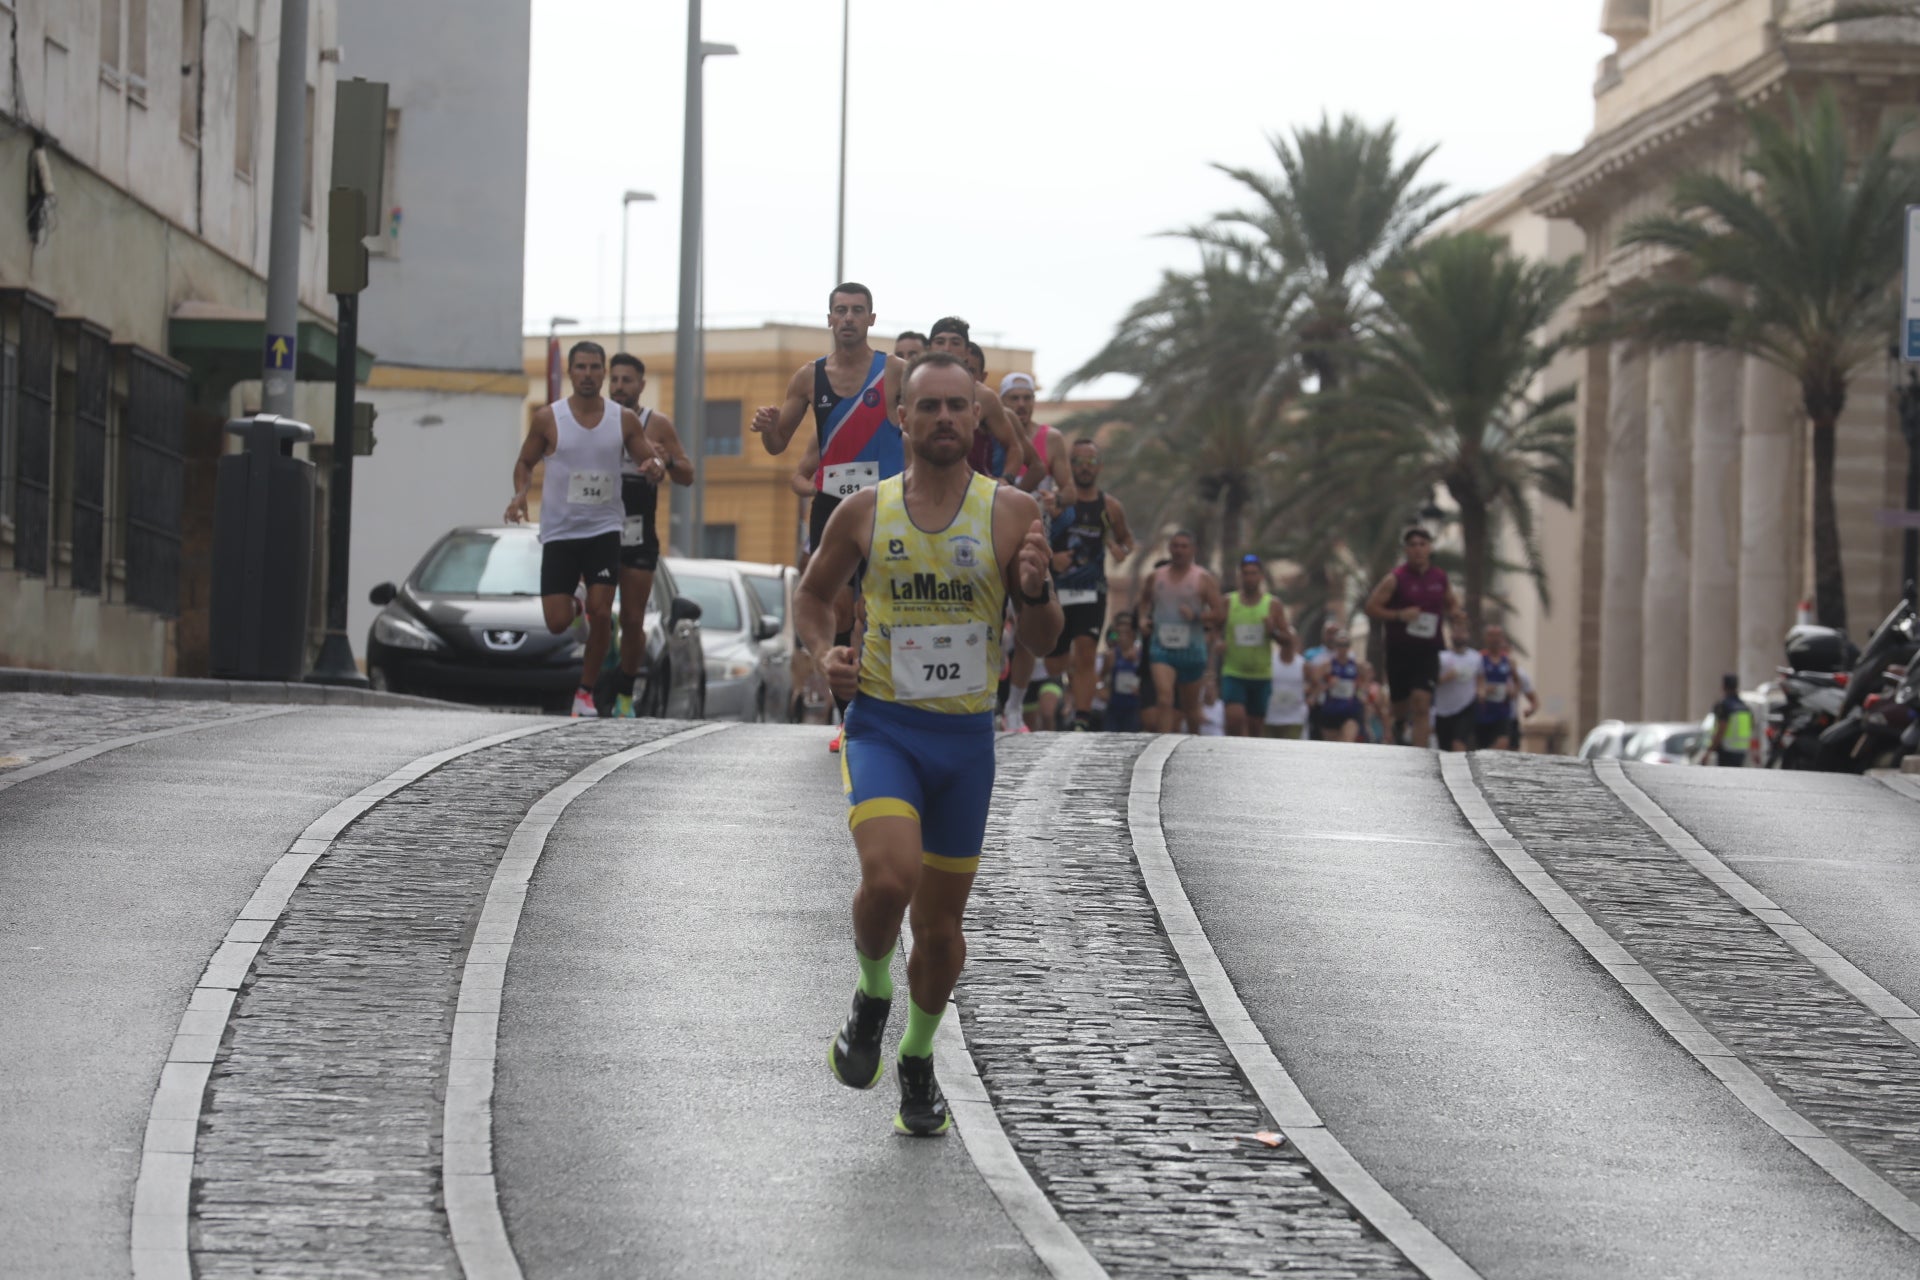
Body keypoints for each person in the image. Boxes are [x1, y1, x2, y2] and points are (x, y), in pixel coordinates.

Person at [796, 350, 1061, 1136]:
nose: (945, 419)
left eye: (958, 407)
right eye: (930, 407)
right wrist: (825, 656)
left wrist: (1038, 591)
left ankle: (916, 1055)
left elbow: (1044, 641)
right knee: (889, 882)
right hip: (884, 726)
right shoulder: (865, 513)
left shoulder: (1011, 514)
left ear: (977, 423)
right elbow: (814, 597)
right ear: (901, 420)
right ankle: (872, 988)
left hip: (965, 744)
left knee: (942, 929)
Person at [753, 283, 908, 747]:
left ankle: (894, 704)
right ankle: (850, 715)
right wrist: (766, 429)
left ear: (872, 320)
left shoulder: (895, 372)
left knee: (879, 608)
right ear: (828, 319)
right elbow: (779, 444)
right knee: (837, 605)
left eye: (857, 311)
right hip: (832, 508)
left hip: (886, 505)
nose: (848, 319)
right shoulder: (808, 378)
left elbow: (920, 425)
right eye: (840, 311)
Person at [506, 341, 662, 718]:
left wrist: (654, 465)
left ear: (603, 373)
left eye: (595, 368)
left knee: (602, 609)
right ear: (572, 373)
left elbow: (646, 454)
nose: (588, 375)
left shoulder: (621, 419)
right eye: (581, 368)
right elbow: (525, 462)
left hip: (605, 529)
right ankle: (574, 602)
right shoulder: (549, 418)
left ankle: (586, 693)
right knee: (558, 622)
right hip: (561, 530)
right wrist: (520, 495)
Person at [605, 354, 693, 717]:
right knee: (597, 611)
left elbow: (688, 474)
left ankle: (625, 690)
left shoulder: (656, 424)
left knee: (632, 617)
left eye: (628, 380)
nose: (620, 386)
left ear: (641, 385)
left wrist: (666, 460)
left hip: (639, 531)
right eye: (616, 380)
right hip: (599, 527)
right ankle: (595, 678)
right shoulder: (595, 419)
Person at [1044, 439, 1135, 731]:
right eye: (1079, 462)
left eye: (1091, 461)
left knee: (1086, 652)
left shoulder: (1109, 506)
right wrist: (1051, 558)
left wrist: (1122, 551)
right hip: (1057, 591)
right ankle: (1063, 694)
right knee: (1055, 663)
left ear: (1100, 467)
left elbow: (1127, 539)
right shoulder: (1056, 502)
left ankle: (1081, 719)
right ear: (1069, 466)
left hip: (1091, 590)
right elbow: (1034, 537)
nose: (1085, 468)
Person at [1363, 527, 1457, 749]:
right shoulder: (1396, 578)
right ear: (1406, 550)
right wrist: (1399, 615)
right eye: (1413, 545)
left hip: (1428, 649)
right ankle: (1398, 722)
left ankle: (1420, 756)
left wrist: (1456, 613)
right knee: (1401, 705)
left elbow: (1451, 602)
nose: (1418, 549)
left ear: (1430, 548)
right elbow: (1371, 607)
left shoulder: (1440, 577)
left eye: (1422, 544)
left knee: (1422, 703)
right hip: (1399, 650)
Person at [1139, 531, 1223, 734]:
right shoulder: (1156, 577)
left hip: (1192, 650)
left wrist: (1196, 616)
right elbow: (1143, 600)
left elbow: (1220, 613)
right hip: (1162, 648)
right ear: (1169, 549)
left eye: (1184, 546)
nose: (1179, 550)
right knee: (1165, 698)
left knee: (1191, 709)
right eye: (1175, 546)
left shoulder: (1202, 579)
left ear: (1192, 550)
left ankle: (1193, 744)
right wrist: (1142, 619)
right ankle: (1162, 744)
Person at [926, 318, 1025, 481]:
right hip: (924, 489)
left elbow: (1015, 448)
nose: (947, 348)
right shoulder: (912, 390)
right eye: (940, 341)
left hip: (972, 494)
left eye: (955, 342)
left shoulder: (983, 396)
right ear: (929, 348)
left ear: (966, 351)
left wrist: (1006, 480)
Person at [1219, 553, 1295, 738]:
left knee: (1255, 729)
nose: (1249, 577)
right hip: (1234, 672)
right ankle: (1232, 755)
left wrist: (1273, 631)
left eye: (1253, 573)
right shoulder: (1229, 601)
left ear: (1261, 576)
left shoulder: (1273, 604)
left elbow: (1288, 640)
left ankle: (1248, 760)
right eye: (1245, 573)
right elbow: (1214, 629)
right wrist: (1216, 644)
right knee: (1234, 719)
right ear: (1240, 576)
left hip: (1260, 675)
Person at [999, 373, 1072, 496]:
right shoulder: (990, 437)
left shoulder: (1051, 438)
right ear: (1001, 401)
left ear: (1034, 400)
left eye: (1027, 398)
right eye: (1014, 398)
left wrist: (1056, 500)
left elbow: (1069, 491)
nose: (1021, 404)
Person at [1475, 623, 1537, 751]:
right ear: (1486, 638)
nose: (1495, 639)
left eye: (1497, 636)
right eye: (1491, 636)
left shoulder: (1508, 661)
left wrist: (1513, 691)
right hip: (1484, 711)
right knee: (1483, 746)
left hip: (1503, 711)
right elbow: (1476, 681)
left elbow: (1517, 681)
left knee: (1504, 743)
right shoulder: (1480, 658)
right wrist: (1482, 691)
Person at [1433, 610, 1481, 752]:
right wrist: (1445, 678)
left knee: (1458, 743)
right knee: (1445, 748)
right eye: (1456, 631)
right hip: (1443, 710)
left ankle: (1460, 773)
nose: (1459, 635)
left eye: (1463, 631)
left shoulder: (1476, 657)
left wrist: (1481, 691)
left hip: (1466, 707)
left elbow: (1481, 678)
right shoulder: (1441, 657)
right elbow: (1431, 682)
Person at [1308, 629, 1366, 744]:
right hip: (1331, 710)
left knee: (1348, 740)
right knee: (1332, 746)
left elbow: (1365, 682)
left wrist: (1360, 690)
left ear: (1349, 646)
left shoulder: (1356, 665)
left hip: (1350, 710)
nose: (1342, 648)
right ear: (1335, 646)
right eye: (1340, 645)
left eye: (1345, 645)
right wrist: (1327, 683)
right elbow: (1314, 679)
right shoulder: (1328, 665)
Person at [1101, 614, 1145, 732]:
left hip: (1135, 706)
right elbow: (1101, 677)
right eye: (1119, 633)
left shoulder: (1142, 654)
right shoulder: (1111, 655)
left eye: (1126, 632)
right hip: (1114, 706)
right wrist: (1102, 690)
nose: (1122, 636)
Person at [1264, 633, 1308, 739]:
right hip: (1271, 717)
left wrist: (1310, 696)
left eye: (1290, 642)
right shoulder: (1270, 661)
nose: (1288, 645)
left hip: (1295, 718)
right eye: (1285, 642)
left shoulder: (1302, 664)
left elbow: (1315, 683)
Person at [1708, 673, 1754, 767]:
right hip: (1741, 751)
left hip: (1727, 751)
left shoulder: (1724, 705)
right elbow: (1751, 726)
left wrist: (1710, 750)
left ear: (1723, 687)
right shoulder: (1745, 707)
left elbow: (1721, 729)